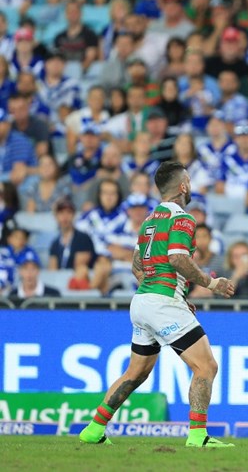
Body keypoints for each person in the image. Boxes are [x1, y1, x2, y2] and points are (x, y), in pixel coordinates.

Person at [78, 161, 236, 447]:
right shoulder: (183, 219)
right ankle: (198, 436)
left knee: (136, 372)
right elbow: (177, 258)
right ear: (183, 186)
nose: (190, 185)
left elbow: (137, 265)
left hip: (142, 301)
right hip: (162, 303)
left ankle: (94, 429)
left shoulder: (149, 221)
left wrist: (172, 294)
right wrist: (212, 284)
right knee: (206, 366)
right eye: (189, 180)